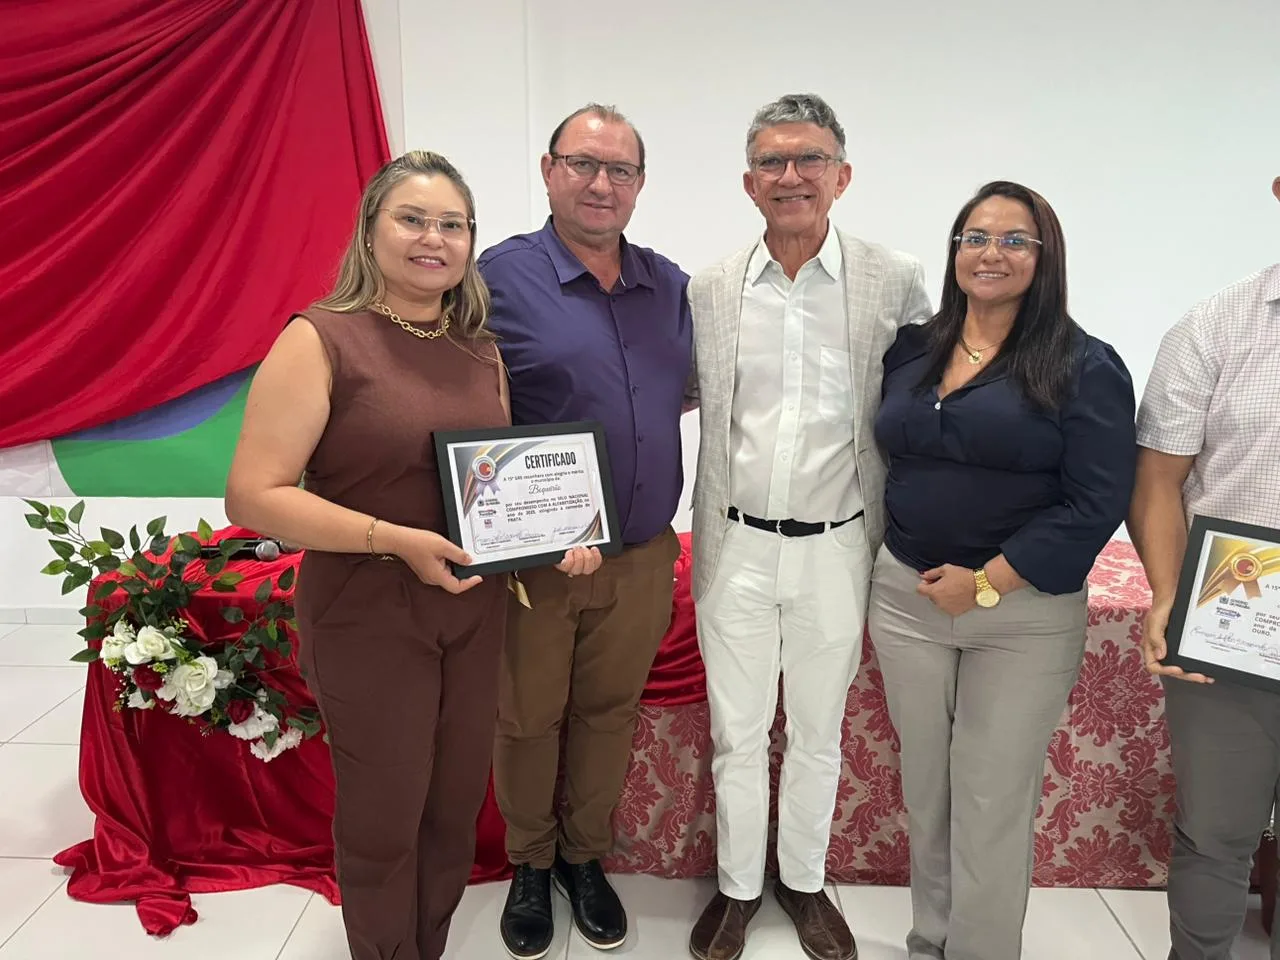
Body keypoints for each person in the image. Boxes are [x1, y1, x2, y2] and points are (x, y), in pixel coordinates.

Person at [223, 150, 599, 960]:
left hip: (470, 613)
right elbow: (253, 496)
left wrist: (554, 536)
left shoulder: (478, 350)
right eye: (413, 219)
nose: (434, 238)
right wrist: (393, 539)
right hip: (366, 612)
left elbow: (490, 490)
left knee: (452, 810)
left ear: (470, 243)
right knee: (384, 819)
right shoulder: (320, 339)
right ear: (371, 230)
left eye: (453, 225)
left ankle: (425, 945)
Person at [686, 92, 932, 960]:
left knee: (819, 732)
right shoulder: (710, 288)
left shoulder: (893, 279)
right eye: (772, 161)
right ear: (749, 181)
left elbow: (927, 400)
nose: (791, 175)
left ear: (842, 175)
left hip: (839, 544)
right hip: (736, 546)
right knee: (737, 733)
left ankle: (802, 880)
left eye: (810, 159)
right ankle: (736, 889)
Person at [867, 180, 1136, 960]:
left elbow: (1095, 501)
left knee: (990, 800)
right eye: (976, 237)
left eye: (1015, 240)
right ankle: (930, 942)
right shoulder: (913, 348)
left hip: (1019, 617)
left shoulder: (1085, 365)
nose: (992, 253)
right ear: (955, 250)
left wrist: (987, 581)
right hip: (907, 600)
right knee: (929, 791)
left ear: (1044, 256)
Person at [478, 104, 692, 958]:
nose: (602, 184)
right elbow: (467, 412)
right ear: (549, 170)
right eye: (583, 164)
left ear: (640, 184)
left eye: (621, 170)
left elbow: (684, 389)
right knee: (528, 718)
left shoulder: (669, 286)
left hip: (641, 552)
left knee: (609, 713)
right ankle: (530, 864)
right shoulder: (496, 280)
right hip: (539, 565)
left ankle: (583, 857)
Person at [1128, 174, 1280, 960]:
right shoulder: (1215, 326)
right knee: (1218, 833)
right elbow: (1158, 479)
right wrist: (1167, 594)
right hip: (1232, 624)